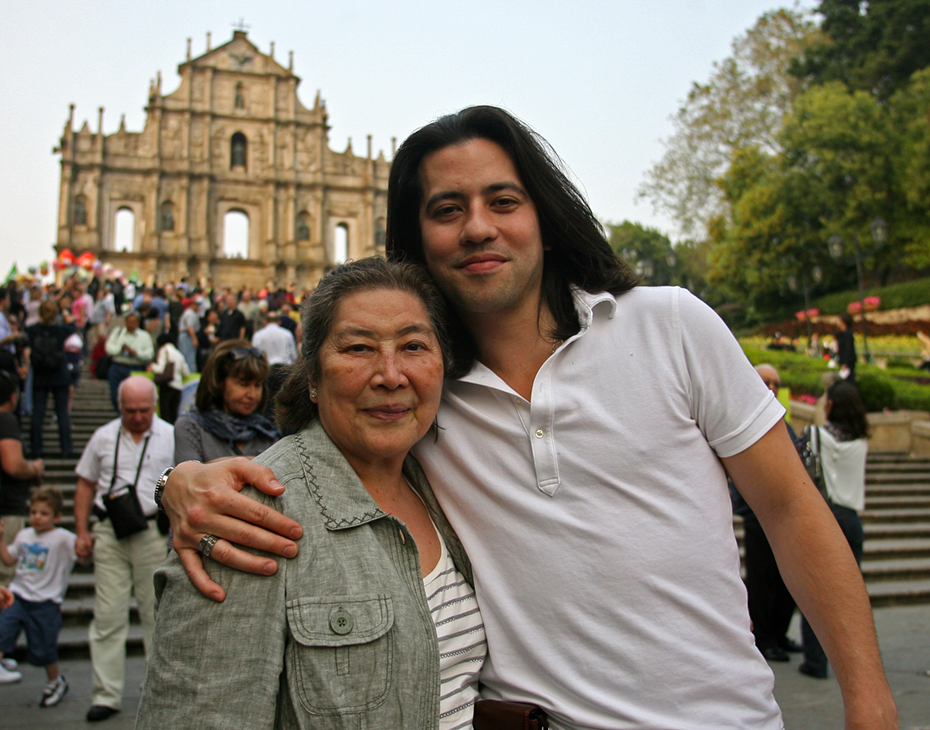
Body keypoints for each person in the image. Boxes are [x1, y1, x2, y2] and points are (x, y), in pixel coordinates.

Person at [162, 106, 897, 729]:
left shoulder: (671, 325)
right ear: (417, 242)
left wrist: (870, 707)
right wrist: (186, 481)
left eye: (503, 201)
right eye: (447, 210)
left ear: (545, 216)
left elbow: (794, 508)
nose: (478, 227)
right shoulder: (423, 395)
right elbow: (316, 464)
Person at [136, 258, 486, 729]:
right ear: (313, 378)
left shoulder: (446, 482)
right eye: (358, 347)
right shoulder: (247, 515)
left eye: (414, 346)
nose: (390, 374)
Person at [73, 376, 174, 722]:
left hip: (149, 530)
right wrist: (82, 530)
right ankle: (106, 694)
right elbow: (85, 485)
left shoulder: (170, 434)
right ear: (119, 407)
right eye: (129, 410)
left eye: (143, 410)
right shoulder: (103, 436)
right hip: (109, 529)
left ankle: (156, 691)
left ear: (155, 404)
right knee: (108, 615)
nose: (136, 417)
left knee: (154, 613)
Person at [799, 380, 871, 680]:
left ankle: (816, 662)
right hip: (852, 521)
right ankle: (854, 663)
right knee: (849, 596)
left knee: (816, 593)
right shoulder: (861, 442)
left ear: (829, 405)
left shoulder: (814, 435)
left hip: (825, 517)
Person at [733, 365, 799, 662]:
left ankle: (780, 634)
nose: (771, 387)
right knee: (762, 581)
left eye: (775, 382)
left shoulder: (785, 424)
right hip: (756, 515)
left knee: (787, 580)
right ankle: (765, 638)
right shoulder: (734, 419)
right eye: (764, 381)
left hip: (784, 515)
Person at [0, 487, 76, 706]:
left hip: (46, 603)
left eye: (43, 514)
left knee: (44, 649)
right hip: (18, 596)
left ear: (57, 516)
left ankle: (55, 681)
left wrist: (85, 546)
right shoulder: (24, 535)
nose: (37, 518)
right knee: (2, 632)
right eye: (33, 512)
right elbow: (8, 559)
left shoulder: (63, 538)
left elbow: (81, 555)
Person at [173, 340, 279, 465]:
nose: (252, 395)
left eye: (258, 385)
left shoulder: (266, 432)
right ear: (219, 382)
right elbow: (190, 479)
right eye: (243, 384)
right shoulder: (191, 427)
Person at [0, 371, 43, 587]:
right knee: (6, 577)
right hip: (7, 510)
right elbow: (13, 465)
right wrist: (34, 468)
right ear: (13, 397)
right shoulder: (5, 420)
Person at [26, 300, 76, 458]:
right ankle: (66, 448)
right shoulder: (61, 330)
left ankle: (36, 447)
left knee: (38, 412)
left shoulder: (31, 330)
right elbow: (74, 326)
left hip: (40, 375)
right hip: (59, 375)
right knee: (62, 413)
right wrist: (66, 314)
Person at [104, 311, 155, 412]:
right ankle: (120, 415)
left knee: (134, 397)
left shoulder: (144, 336)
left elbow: (149, 354)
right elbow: (109, 348)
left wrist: (136, 353)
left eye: (133, 322)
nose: (130, 324)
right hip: (118, 366)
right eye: (128, 322)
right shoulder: (118, 333)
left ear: (137, 323)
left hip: (135, 368)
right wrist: (120, 349)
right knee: (115, 395)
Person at [149, 332, 190, 426]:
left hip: (167, 386)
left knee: (165, 416)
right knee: (173, 416)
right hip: (178, 388)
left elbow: (160, 369)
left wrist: (152, 366)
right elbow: (186, 372)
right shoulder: (179, 354)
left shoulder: (164, 350)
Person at [836, 313, 857, 381]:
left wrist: (845, 363)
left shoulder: (847, 334)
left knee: (848, 379)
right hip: (844, 361)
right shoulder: (843, 333)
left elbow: (848, 349)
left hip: (848, 362)